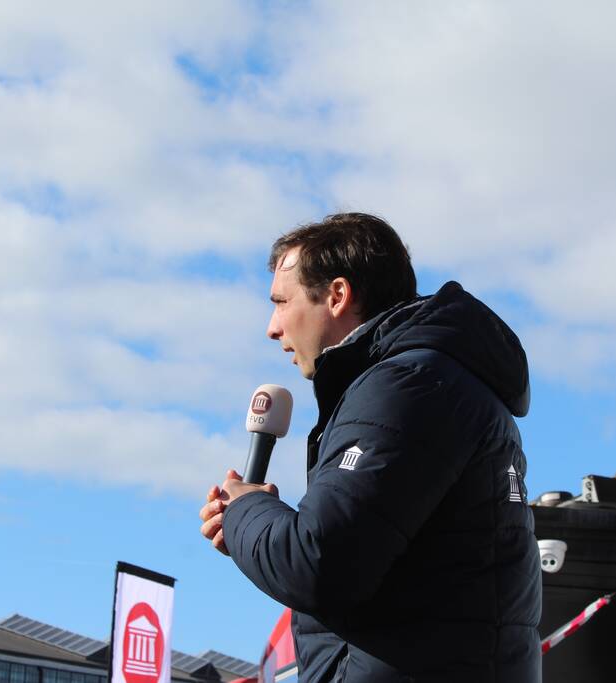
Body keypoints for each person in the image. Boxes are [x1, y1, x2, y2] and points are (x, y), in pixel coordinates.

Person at [199, 213, 541, 682]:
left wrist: (246, 509)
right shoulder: (434, 382)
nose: (272, 328)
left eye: (281, 302)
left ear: (337, 295)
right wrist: (252, 528)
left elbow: (320, 566)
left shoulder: (408, 385)